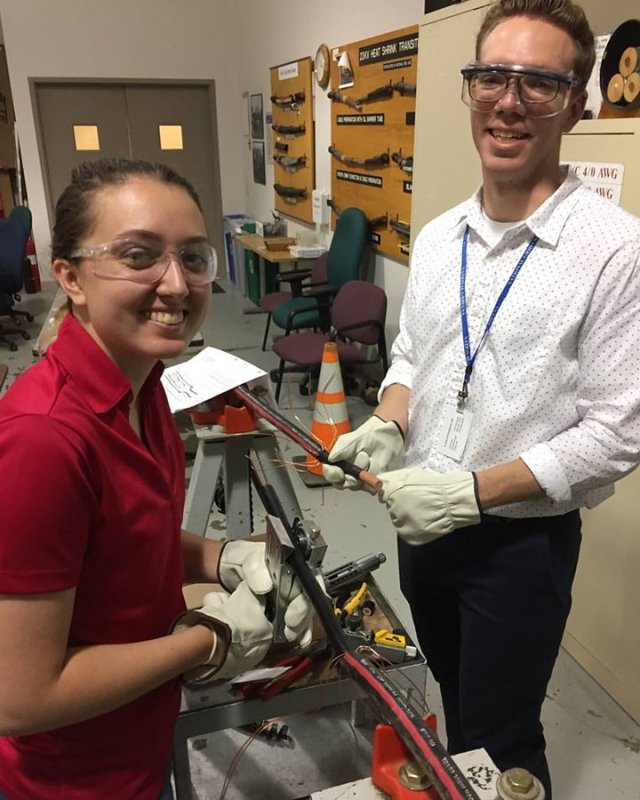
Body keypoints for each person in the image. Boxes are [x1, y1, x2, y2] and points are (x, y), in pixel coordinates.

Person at [324, 1, 640, 797]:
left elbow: (616, 433)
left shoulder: (615, 249)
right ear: (470, 89)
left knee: (503, 736)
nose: (509, 101)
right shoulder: (438, 238)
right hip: (418, 527)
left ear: (578, 101)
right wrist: (389, 418)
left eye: (539, 83)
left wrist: (470, 494)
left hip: (517, 550)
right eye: (492, 77)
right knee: (451, 704)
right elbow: (413, 358)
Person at [0, 158, 312, 800]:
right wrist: (210, 637)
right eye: (139, 256)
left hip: (141, 736)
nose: (176, 284)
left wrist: (224, 559)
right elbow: (24, 698)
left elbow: (123, 547)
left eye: (194, 258)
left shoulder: (145, 391)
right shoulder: (44, 439)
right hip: (72, 779)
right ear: (70, 277)